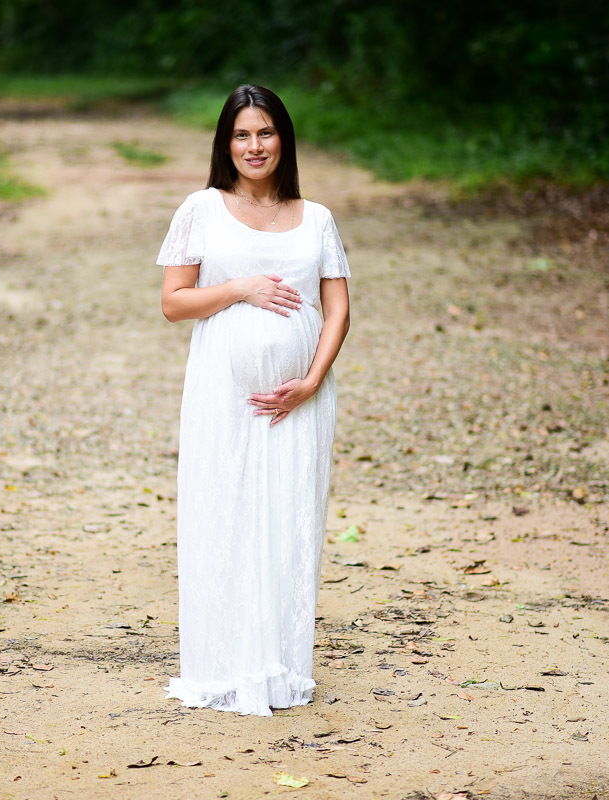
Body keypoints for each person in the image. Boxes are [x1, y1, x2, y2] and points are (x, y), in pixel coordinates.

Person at [156, 84, 351, 716]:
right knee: (225, 515)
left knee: (289, 522)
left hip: (302, 399)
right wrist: (240, 288)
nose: (255, 145)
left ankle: (281, 667)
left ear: (284, 139)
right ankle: (221, 666)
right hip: (224, 394)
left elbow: (337, 309)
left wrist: (311, 380)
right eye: (241, 134)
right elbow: (174, 302)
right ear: (226, 144)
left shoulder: (317, 218)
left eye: (265, 132)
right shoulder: (202, 209)